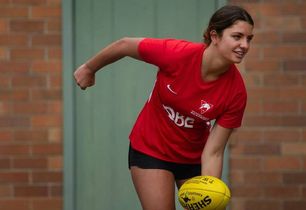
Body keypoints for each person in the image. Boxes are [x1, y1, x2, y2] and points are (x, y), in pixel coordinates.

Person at [74, 5, 254, 210]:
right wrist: (89, 68)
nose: (245, 45)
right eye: (237, 36)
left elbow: (214, 151)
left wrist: (209, 192)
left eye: (249, 39)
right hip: (151, 149)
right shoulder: (177, 54)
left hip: (193, 158)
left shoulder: (236, 92)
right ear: (215, 36)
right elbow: (124, 45)